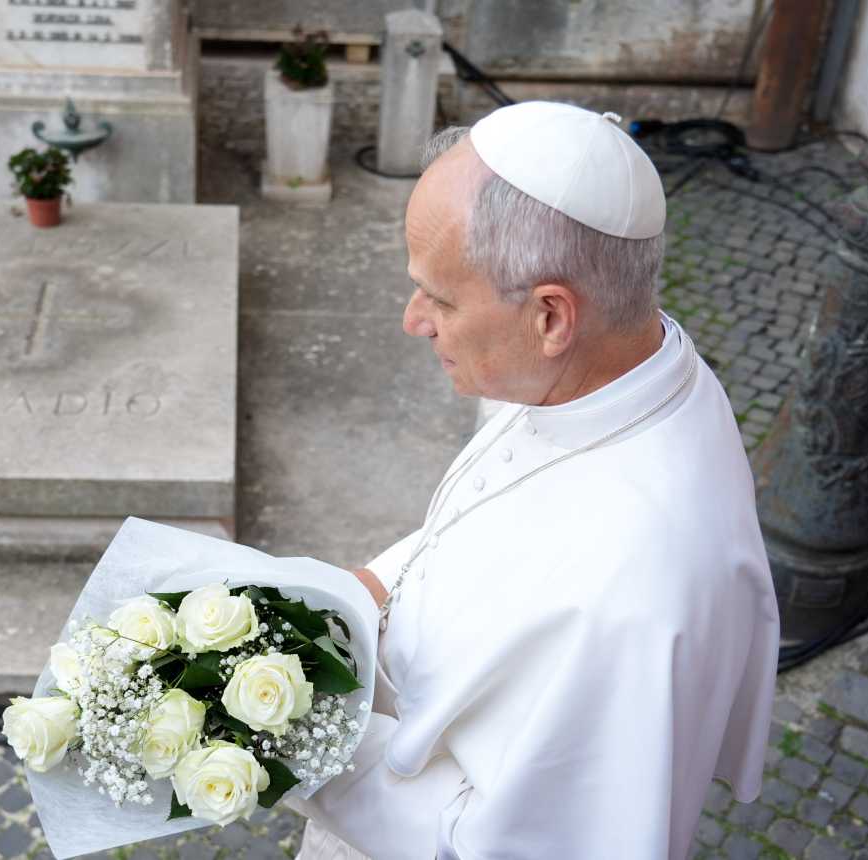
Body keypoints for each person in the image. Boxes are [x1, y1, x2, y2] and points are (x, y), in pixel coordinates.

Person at [287, 102, 780, 859]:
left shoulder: (636, 588)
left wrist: (291, 727)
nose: (413, 320)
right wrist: (365, 589)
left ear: (552, 316)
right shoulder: (626, 366)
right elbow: (491, 509)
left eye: (441, 297)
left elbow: (505, 844)